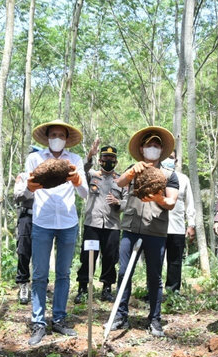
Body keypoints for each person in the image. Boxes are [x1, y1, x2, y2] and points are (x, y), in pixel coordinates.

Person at [110, 126, 179, 337]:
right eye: (149, 145)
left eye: (157, 146)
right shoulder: (134, 168)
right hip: (131, 228)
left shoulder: (169, 175)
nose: (153, 148)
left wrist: (158, 198)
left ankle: (155, 319)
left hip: (155, 230)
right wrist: (132, 171)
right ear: (142, 148)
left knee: (154, 276)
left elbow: (171, 202)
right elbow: (119, 182)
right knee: (123, 273)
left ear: (161, 150)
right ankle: (121, 316)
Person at [25, 119, 88, 345]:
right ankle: (39, 322)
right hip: (42, 220)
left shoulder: (75, 160)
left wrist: (78, 180)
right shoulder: (34, 158)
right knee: (40, 274)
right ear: (47, 136)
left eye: (61, 135)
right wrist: (29, 187)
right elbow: (27, 189)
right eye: (54, 135)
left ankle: (59, 318)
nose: (57, 138)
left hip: (68, 222)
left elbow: (85, 193)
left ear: (67, 139)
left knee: (63, 273)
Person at [74, 140, 127, 303]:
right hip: (93, 224)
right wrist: (90, 154)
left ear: (116, 161)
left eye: (111, 159)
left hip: (112, 225)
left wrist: (118, 203)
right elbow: (82, 169)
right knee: (88, 256)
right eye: (105, 158)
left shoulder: (121, 180)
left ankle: (106, 289)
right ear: (100, 160)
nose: (108, 161)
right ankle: (83, 288)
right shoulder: (92, 175)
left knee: (110, 257)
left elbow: (128, 202)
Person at [161, 150, 195, 293]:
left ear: (176, 161)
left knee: (175, 262)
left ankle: (172, 292)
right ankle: (153, 292)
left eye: (172, 157)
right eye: (166, 157)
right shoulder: (155, 176)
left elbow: (190, 203)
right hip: (157, 227)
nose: (169, 160)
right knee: (155, 262)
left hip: (177, 227)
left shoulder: (183, 179)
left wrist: (191, 224)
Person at [13, 145, 42, 305]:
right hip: (27, 217)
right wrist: (30, 188)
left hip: (43, 218)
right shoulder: (22, 176)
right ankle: (23, 284)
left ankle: (39, 285)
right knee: (23, 252)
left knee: (41, 253)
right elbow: (17, 196)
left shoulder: (48, 177)